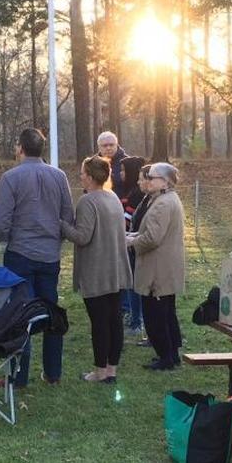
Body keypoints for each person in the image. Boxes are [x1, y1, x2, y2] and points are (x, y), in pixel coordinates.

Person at [0, 127, 73, 386]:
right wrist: (54, 237)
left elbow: (1, 221)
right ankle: (53, 373)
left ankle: (18, 376)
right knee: (51, 312)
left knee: (19, 313)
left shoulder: (11, 177)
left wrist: (5, 237)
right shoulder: (59, 176)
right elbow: (67, 216)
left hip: (20, 253)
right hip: (49, 255)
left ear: (20, 148)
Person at [60, 156, 132, 383]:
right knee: (114, 321)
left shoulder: (88, 201)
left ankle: (100, 371)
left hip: (97, 272)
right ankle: (111, 369)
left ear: (90, 176)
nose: (80, 176)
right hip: (116, 269)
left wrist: (61, 224)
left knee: (100, 323)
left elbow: (82, 237)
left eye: (82, 172)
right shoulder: (112, 198)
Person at [127, 162, 185, 371]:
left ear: (165, 181)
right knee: (167, 313)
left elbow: (152, 238)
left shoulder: (162, 203)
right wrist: (134, 235)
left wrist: (131, 242)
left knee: (156, 315)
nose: (148, 181)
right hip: (165, 266)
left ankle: (166, 357)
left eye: (152, 177)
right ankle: (171, 355)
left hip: (158, 269)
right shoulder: (166, 199)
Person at [117, 155, 146, 337]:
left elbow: (128, 219)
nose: (120, 174)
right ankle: (134, 318)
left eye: (123, 170)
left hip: (132, 243)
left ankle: (137, 321)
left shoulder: (137, 194)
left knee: (134, 286)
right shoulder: (130, 191)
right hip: (129, 241)